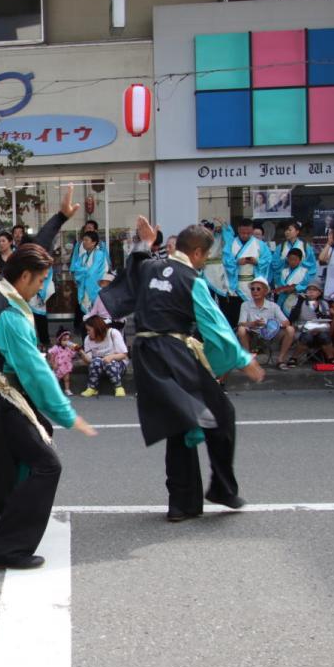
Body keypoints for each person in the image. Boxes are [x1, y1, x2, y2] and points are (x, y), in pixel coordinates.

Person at [101, 217, 265, 523]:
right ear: (199, 253)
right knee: (221, 413)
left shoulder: (150, 267)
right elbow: (215, 328)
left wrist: (145, 245)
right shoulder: (192, 280)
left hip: (147, 355)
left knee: (179, 424)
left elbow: (130, 275)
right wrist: (243, 360)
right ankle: (221, 488)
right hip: (174, 352)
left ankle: (182, 503)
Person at [0, 210, 98, 570]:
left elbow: (32, 249)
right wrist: (69, 415)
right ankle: (5, 549)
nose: (42, 288)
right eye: (40, 282)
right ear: (24, 276)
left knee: (23, 447)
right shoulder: (9, 314)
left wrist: (60, 217)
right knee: (47, 464)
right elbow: (36, 372)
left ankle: (6, 505)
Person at [219, 218, 272, 328]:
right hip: (236, 285)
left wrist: (257, 262)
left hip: (253, 284)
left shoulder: (260, 244)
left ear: (252, 231)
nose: (245, 235)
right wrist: (237, 262)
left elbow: (267, 259)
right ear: (238, 230)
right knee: (235, 315)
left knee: (254, 314)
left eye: (248, 233)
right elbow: (226, 261)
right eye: (243, 233)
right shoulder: (231, 244)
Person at [237, 277, 296, 370]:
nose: (255, 291)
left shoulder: (273, 306)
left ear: (265, 291)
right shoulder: (245, 305)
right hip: (253, 335)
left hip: (271, 335)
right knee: (241, 330)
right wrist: (253, 323)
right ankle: (248, 360)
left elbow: (286, 322)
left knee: (290, 329)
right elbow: (241, 324)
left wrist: (271, 325)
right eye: (252, 289)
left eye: (258, 289)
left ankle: (280, 360)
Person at [288, 281, 334, 364]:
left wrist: (317, 310)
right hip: (302, 329)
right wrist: (299, 302)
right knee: (307, 336)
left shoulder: (323, 304)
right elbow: (292, 318)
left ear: (319, 293)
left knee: (324, 336)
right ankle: (294, 357)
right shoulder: (300, 302)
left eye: (314, 290)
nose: (311, 291)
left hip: (320, 329)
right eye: (309, 290)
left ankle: (330, 358)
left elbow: (327, 320)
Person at [81, 315, 129, 397]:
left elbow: (124, 355)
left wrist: (111, 357)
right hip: (99, 367)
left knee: (109, 362)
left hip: (117, 365)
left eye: (89, 330)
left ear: (97, 328)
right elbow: (89, 360)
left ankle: (118, 387)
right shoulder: (87, 339)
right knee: (96, 361)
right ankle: (92, 388)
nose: (87, 332)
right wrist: (81, 352)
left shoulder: (113, 333)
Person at [269, 220, 318, 286]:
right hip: (284, 282)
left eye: (289, 230)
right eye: (286, 230)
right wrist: (285, 261)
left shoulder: (305, 246)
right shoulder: (280, 247)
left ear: (297, 232)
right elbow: (274, 264)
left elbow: (312, 265)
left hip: (301, 281)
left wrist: (298, 262)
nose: (287, 232)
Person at [272, 248, 309, 313]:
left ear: (300, 260)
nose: (292, 262)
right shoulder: (283, 271)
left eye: (295, 259)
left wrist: (294, 288)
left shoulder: (304, 272)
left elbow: (305, 285)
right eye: (290, 259)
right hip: (283, 297)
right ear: (287, 259)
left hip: (296, 298)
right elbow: (278, 284)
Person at [46, 328, 80, 396]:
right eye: (64, 340)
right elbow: (52, 355)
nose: (66, 342)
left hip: (66, 366)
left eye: (68, 339)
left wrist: (75, 349)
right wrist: (53, 364)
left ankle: (67, 389)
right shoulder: (56, 348)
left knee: (67, 379)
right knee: (55, 379)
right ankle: (55, 390)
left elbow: (72, 355)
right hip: (58, 366)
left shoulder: (68, 348)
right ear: (59, 340)